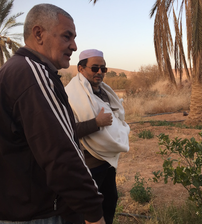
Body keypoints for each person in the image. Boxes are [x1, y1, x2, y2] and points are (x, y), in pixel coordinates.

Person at [0, 4, 105, 224]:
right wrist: (93, 212)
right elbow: (60, 154)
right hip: (40, 213)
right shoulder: (32, 73)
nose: (74, 46)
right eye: (67, 36)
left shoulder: (15, 69)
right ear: (39, 34)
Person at [65, 49, 130, 224]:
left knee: (110, 203)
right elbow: (66, 131)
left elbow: (116, 118)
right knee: (89, 212)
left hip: (108, 162)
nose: (100, 72)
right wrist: (96, 123)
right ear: (80, 68)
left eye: (103, 69)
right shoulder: (70, 96)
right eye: (95, 68)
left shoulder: (104, 92)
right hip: (88, 166)